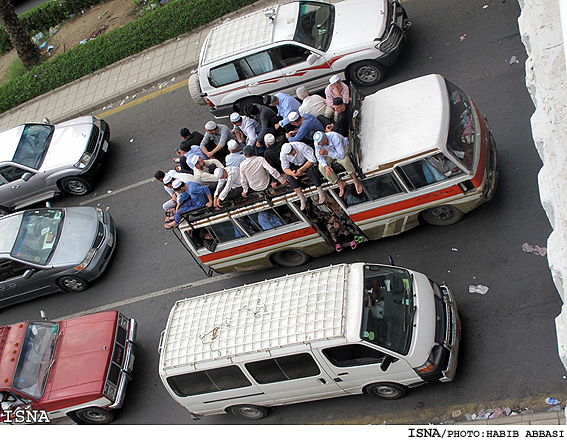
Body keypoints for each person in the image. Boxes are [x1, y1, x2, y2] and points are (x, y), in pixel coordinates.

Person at [313, 131, 363, 196]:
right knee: (321, 167)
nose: (318, 145)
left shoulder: (334, 137)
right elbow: (319, 157)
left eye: (320, 143)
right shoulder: (317, 143)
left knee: (344, 161)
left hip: (343, 148)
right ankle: (340, 183)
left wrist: (327, 153)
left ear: (325, 140)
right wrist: (326, 166)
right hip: (330, 152)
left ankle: (355, 179)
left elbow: (341, 155)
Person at [280, 141, 326, 210]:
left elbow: (312, 159)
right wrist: (292, 173)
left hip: (306, 161)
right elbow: (285, 168)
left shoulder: (301, 146)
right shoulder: (283, 154)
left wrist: (301, 169)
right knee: (290, 177)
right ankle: (301, 197)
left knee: (311, 171)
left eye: (293, 150)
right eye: (291, 153)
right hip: (296, 165)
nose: (294, 152)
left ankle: (320, 191)